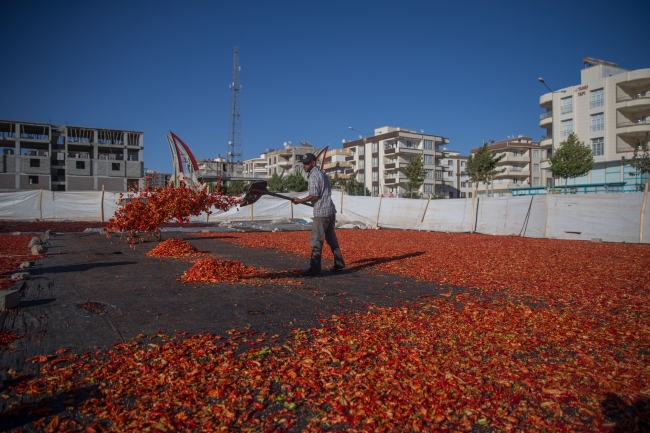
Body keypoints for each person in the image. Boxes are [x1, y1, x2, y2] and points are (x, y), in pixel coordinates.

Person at [292, 153, 345, 276]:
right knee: (331, 239)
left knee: (316, 240)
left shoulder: (314, 176)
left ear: (313, 163)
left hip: (322, 212)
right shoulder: (321, 173)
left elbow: (314, 195)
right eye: (303, 163)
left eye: (306, 163)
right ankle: (339, 262)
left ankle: (314, 268)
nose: (304, 165)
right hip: (330, 210)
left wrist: (299, 201)